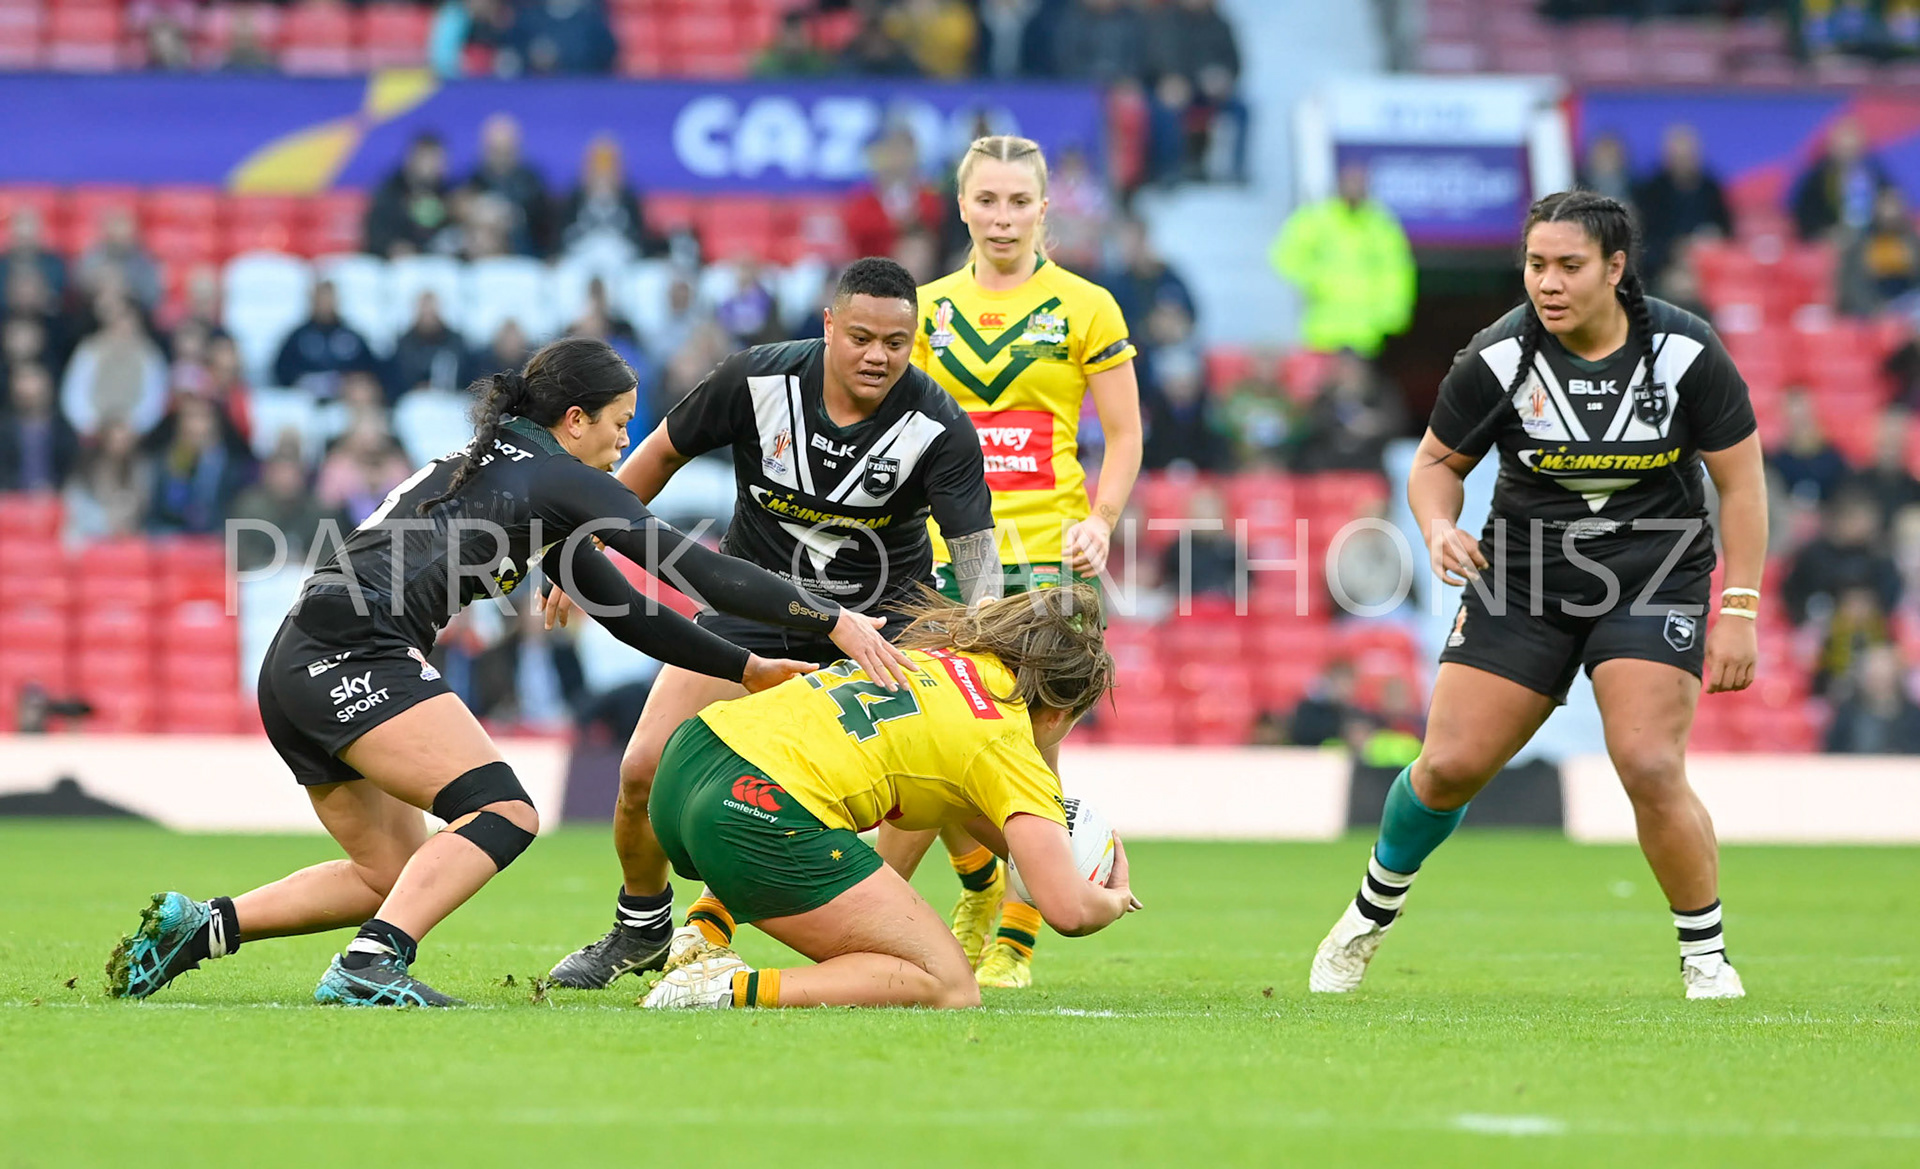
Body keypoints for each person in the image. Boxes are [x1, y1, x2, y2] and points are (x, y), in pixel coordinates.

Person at [104, 337, 907, 1008]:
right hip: (355, 648)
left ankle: (198, 925)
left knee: (387, 871)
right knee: (504, 812)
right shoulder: (560, 476)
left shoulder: (510, 466)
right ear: (575, 419)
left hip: (301, 657)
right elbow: (690, 568)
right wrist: (829, 617)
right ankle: (369, 965)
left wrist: (747, 665)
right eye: (620, 425)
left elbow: (631, 610)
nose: (624, 444)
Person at [1307, 190, 1767, 1001]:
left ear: (1616, 269)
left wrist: (1738, 608)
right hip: (1521, 578)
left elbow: (1742, 485)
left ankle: (1706, 957)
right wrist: (1440, 527)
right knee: (1448, 766)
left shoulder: (1687, 352)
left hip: (1655, 573)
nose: (1547, 283)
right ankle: (1369, 912)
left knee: (1650, 761)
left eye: (1568, 266)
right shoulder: (1498, 357)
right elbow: (1433, 466)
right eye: (1534, 265)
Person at [541, 258, 999, 990]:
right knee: (642, 771)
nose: (879, 354)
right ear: (827, 326)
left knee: (910, 785)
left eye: (896, 341)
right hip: (749, 609)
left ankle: (887, 932)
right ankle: (641, 927)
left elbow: (976, 559)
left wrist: (979, 644)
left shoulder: (938, 425)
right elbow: (659, 451)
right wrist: (588, 534)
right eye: (861, 336)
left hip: (883, 626)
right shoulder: (754, 380)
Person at [886, 134, 1144, 991]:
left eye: (1018, 202)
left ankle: (1015, 942)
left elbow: (1128, 435)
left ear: (1045, 209)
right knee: (939, 743)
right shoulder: (921, 310)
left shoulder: (1087, 307)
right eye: (986, 200)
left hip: (1048, 560)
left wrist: (1101, 522)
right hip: (944, 563)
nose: (1002, 217)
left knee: (1032, 755)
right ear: (961, 206)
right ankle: (976, 884)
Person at [641, 586, 1138, 1009]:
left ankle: (703, 929)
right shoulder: (1006, 742)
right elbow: (1068, 911)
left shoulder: (941, 661)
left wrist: (1056, 859)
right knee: (948, 983)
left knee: (821, 806)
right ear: (1059, 714)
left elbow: (990, 822)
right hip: (751, 815)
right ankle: (722, 988)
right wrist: (1112, 898)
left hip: (687, 764)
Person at [1270, 162, 1416, 358]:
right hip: (1323, 330)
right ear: (1339, 184)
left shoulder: (1381, 224)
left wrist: (1392, 314)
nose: (1354, 188)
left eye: (1359, 183)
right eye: (1350, 182)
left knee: (1357, 386)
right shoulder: (1317, 218)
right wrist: (1316, 280)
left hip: (1365, 333)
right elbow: (1285, 255)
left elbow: (1396, 271)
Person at [1631, 124, 1731, 282]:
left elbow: (1726, 229)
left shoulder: (1711, 187)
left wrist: (1710, 239)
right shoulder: (1652, 190)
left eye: (1688, 157)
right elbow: (1645, 237)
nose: (1683, 163)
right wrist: (1673, 249)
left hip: (1708, 263)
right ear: (1667, 158)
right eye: (1678, 157)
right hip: (1663, 265)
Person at [1791, 117, 1893, 243]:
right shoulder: (1816, 179)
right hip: (1829, 243)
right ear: (1832, 148)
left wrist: (1888, 211)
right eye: (1844, 148)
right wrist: (1826, 234)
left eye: (1853, 148)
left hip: (1870, 242)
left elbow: (1892, 202)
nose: (1849, 154)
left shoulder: (1875, 174)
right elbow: (1803, 215)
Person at [272, 281, 379, 399]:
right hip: (307, 398)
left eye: (329, 299)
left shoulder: (352, 336)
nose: (325, 304)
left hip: (346, 398)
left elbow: (369, 369)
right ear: (312, 301)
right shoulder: (297, 338)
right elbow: (282, 371)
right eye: (320, 299)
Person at [364, 132, 456, 258]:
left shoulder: (449, 195)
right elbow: (377, 232)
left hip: (435, 260)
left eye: (436, 159)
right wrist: (391, 247)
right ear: (410, 159)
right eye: (425, 158)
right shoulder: (390, 192)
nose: (430, 165)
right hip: (391, 261)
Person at [1837, 186, 1920, 318]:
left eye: (1895, 206)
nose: (1891, 213)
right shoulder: (1860, 245)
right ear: (1875, 210)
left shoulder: (1912, 242)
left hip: (1908, 306)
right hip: (1872, 309)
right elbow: (1853, 286)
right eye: (1886, 207)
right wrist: (1874, 309)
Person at [1824, 645, 1920, 754]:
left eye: (1885, 673)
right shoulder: (1847, 713)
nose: (1880, 679)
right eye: (1874, 673)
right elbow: (1833, 751)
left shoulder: (1914, 715)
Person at [0, 362, 78, 492]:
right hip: (10, 500)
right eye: (22, 381)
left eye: (33, 381)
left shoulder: (63, 430)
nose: (28, 389)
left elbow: (71, 470)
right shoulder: (4, 430)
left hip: (56, 498)